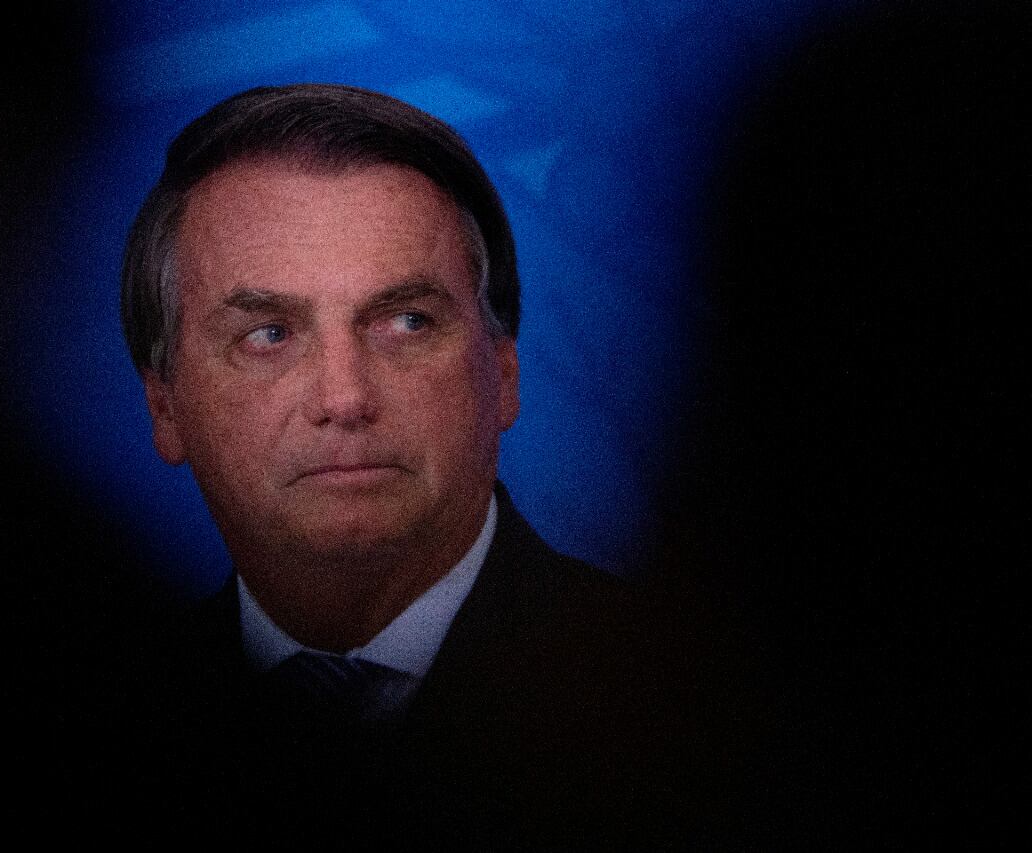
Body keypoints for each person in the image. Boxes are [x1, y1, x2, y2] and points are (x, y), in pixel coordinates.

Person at [117, 84, 724, 849]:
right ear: (165, 405)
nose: (344, 398)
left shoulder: (703, 711)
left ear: (504, 374)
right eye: (268, 334)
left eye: (407, 322)